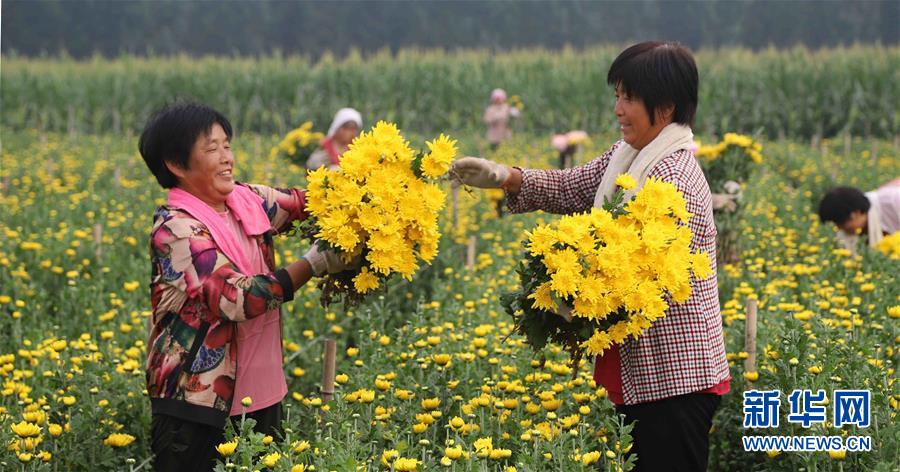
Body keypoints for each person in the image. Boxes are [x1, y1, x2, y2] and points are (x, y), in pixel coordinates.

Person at [452, 42, 729, 471]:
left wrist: (574, 292)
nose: (618, 109)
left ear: (667, 105)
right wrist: (506, 176)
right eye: (616, 95)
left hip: (673, 379)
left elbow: (638, 277)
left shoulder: (673, 174)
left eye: (629, 98)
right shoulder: (631, 155)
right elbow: (571, 187)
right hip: (644, 372)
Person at [139, 102, 353, 471]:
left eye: (227, 145)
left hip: (262, 395)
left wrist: (385, 188)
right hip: (197, 408)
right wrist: (312, 264)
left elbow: (307, 202)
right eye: (211, 148)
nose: (226, 158)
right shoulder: (175, 229)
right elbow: (235, 297)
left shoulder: (246, 200)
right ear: (175, 164)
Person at [818, 179, 900, 252]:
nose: (840, 229)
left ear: (856, 213)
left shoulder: (893, 202)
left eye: (841, 225)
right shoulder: (858, 224)